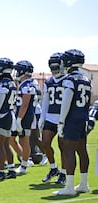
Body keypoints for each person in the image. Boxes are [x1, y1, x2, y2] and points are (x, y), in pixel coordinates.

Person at [54, 49, 91, 195]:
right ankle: (83, 184)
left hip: (72, 119)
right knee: (82, 151)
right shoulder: (86, 79)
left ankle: (69, 187)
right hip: (83, 118)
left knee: (69, 151)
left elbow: (66, 102)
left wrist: (61, 121)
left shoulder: (70, 79)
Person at [38, 53, 67, 184]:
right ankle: (53, 168)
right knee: (45, 143)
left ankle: (64, 173)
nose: (54, 69)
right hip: (50, 116)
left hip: (64, 118)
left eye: (56, 66)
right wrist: (42, 118)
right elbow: (45, 101)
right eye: (52, 66)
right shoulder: (49, 81)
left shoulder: (68, 80)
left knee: (63, 147)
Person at [0, 58, 17, 181]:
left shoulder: (2, 84)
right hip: (9, 115)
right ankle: (11, 169)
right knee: (6, 144)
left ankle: (1, 171)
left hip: (1, 115)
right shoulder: (11, 83)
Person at [13, 60, 36, 175]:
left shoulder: (28, 85)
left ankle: (24, 164)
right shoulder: (22, 85)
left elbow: (25, 104)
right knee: (12, 139)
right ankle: (24, 159)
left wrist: (19, 119)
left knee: (24, 140)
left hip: (25, 117)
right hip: (20, 115)